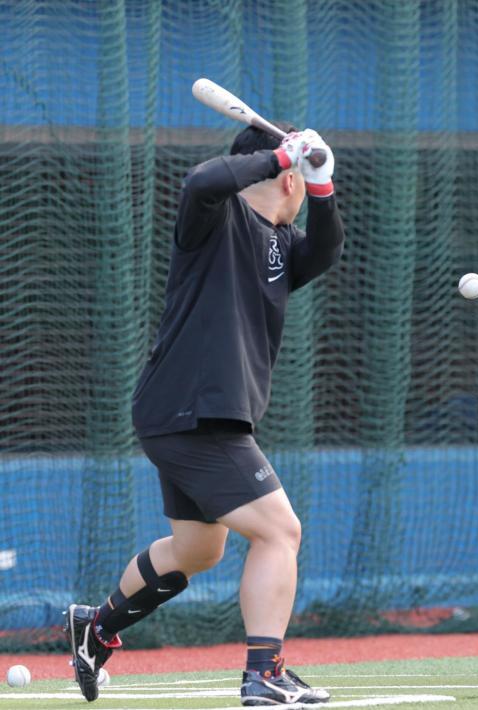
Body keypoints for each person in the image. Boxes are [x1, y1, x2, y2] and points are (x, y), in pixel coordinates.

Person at [64, 123, 344, 705]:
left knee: (198, 550)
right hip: (195, 411)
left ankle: (95, 627)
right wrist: (278, 155)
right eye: (296, 172)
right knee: (280, 531)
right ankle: (264, 674)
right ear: (279, 174)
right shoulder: (218, 219)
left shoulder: (283, 243)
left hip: (197, 413)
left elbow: (326, 249)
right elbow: (201, 181)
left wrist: (322, 186)